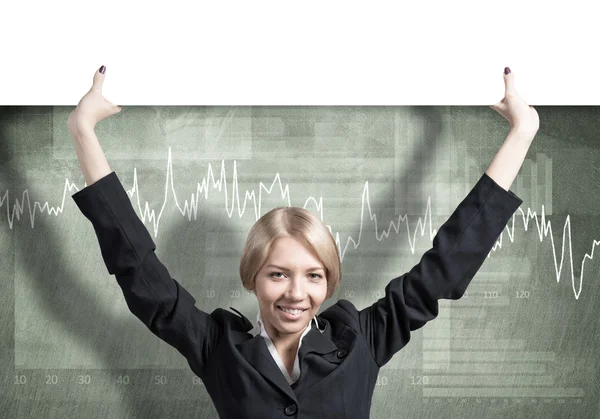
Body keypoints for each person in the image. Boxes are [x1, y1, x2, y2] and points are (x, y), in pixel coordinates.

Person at [69, 65, 538, 419]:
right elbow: (138, 270)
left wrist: (522, 133)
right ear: (252, 277)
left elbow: (445, 266)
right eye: (278, 274)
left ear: (328, 281)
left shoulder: (361, 341)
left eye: (313, 275)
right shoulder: (217, 347)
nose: (297, 293)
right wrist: (82, 131)